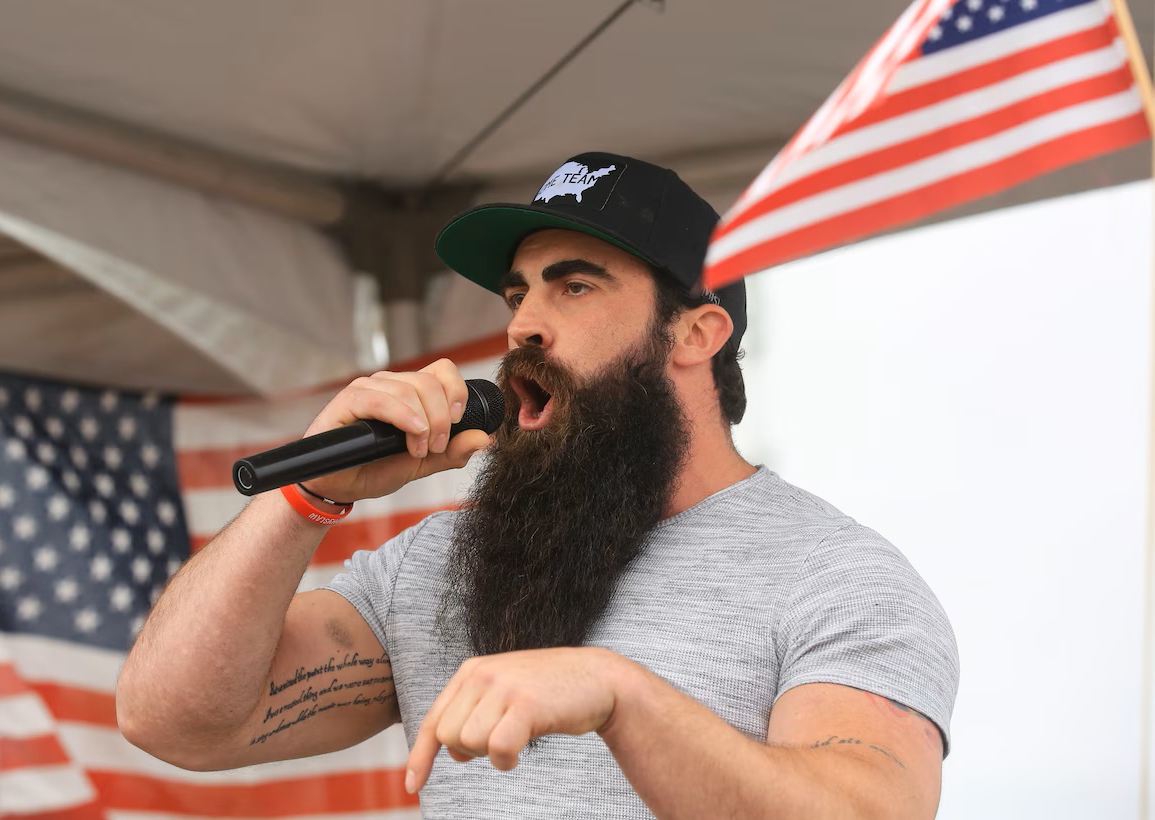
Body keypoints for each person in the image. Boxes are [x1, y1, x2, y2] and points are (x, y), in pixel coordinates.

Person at [117, 152, 959, 819]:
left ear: (697, 331)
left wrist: (622, 695)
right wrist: (306, 497)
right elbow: (175, 720)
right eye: (518, 292)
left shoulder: (832, 574)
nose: (522, 323)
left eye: (576, 285)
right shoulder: (441, 561)